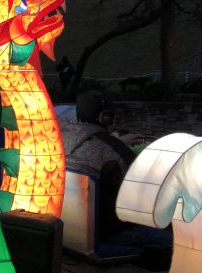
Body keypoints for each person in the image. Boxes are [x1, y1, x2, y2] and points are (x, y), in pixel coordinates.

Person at [60, 91, 170, 259]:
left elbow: (96, 148)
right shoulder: (116, 152)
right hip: (109, 232)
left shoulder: (65, 140)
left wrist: (116, 142)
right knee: (177, 237)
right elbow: (142, 198)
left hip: (70, 231)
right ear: (105, 118)